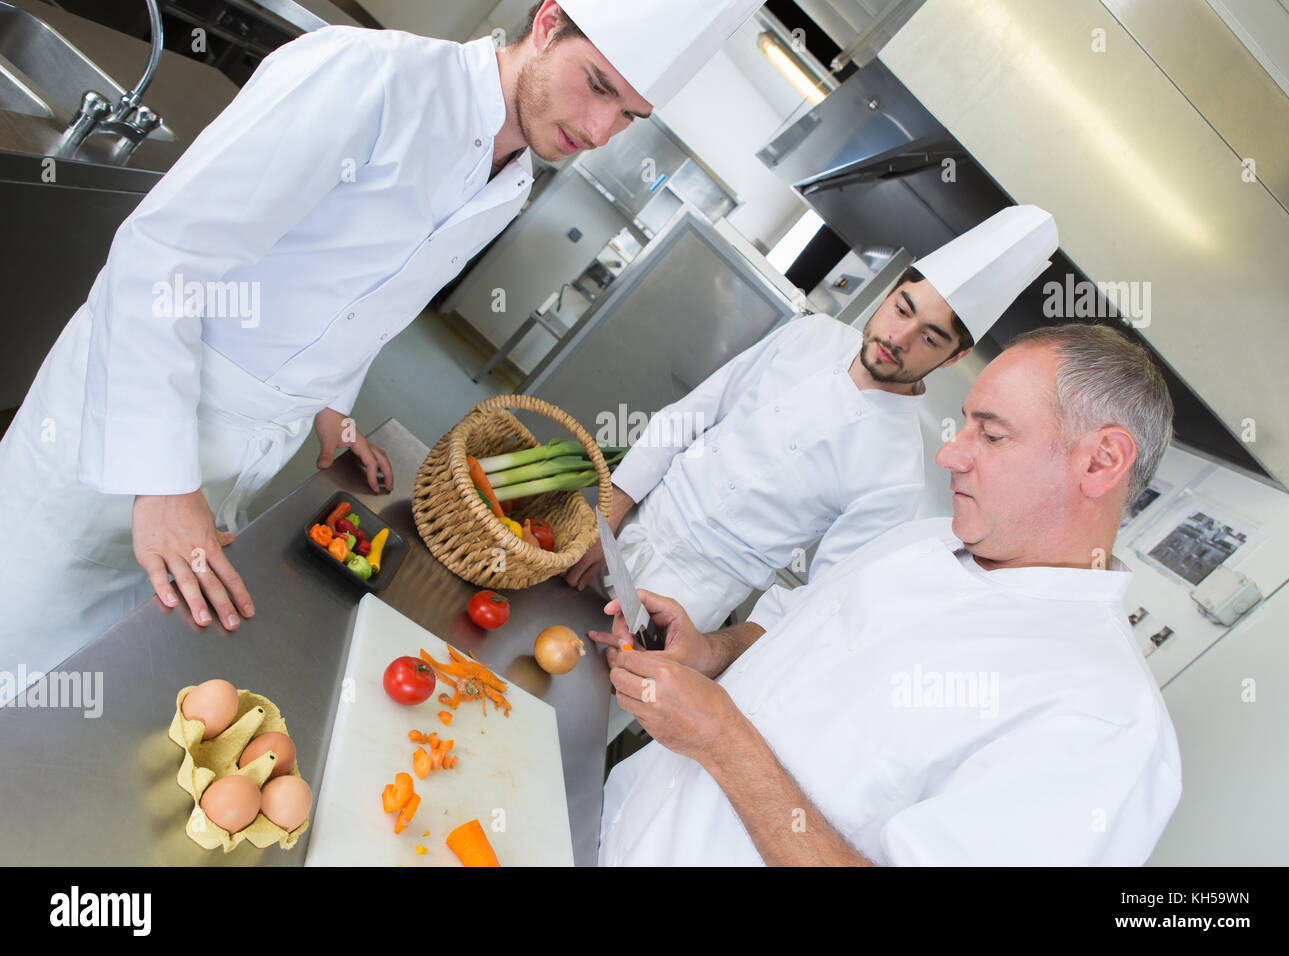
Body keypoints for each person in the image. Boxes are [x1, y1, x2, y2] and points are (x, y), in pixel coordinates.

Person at [0, 0, 763, 697]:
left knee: (101, 670)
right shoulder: (367, 79)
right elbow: (160, 259)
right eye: (597, 85)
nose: (599, 133)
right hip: (123, 426)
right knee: (21, 637)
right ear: (547, 21)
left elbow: (370, 296)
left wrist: (334, 409)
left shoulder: (510, 181)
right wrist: (162, 481)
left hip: (244, 458)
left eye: (628, 114)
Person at [592, 322, 1182, 865]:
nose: (950, 453)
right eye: (966, 424)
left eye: (992, 435)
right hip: (611, 832)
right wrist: (707, 654)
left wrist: (722, 740)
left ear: (1102, 461)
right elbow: (789, 629)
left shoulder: (1104, 719)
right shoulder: (923, 541)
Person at [567, 206, 1060, 635]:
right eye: (902, 309)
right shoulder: (810, 336)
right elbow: (689, 416)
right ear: (890, 293)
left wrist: (703, 653)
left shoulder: (897, 476)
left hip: (687, 599)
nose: (899, 337)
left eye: (930, 338)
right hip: (629, 520)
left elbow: (817, 600)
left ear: (955, 357)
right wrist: (606, 520)